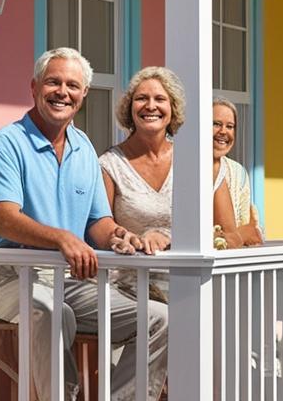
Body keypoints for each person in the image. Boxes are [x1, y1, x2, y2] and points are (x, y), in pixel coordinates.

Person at [0, 48, 166, 401]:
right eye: (53, 82)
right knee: (51, 312)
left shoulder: (84, 148)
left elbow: (98, 221)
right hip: (7, 275)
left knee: (159, 318)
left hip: (69, 278)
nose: (62, 92)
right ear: (34, 88)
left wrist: (118, 236)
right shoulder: (6, 143)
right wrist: (63, 238)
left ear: (83, 95)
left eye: (72, 86)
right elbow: (4, 218)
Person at [100, 67, 239, 259]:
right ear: (129, 107)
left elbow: (230, 236)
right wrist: (128, 240)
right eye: (141, 98)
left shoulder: (198, 162)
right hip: (132, 275)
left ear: (173, 108)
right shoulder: (110, 165)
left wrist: (169, 237)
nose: (150, 106)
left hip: (191, 276)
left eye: (160, 99)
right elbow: (101, 230)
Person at [212, 98, 263, 246]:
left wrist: (241, 235)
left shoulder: (238, 173)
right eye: (216, 124)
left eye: (230, 126)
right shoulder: (183, 167)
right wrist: (241, 234)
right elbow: (242, 234)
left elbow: (248, 232)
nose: (223, 131)